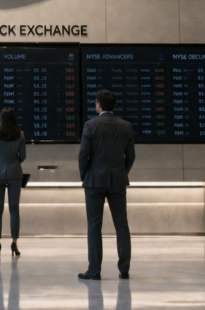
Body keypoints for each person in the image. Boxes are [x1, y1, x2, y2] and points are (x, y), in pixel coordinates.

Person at [77, 90, 135, 280]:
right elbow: (131, 156)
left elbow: (83, 155)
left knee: (94, 225)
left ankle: (94, 270)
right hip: (117, 181)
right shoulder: (126, 126)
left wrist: (85, 175)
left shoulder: (90, 125)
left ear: (99, 105)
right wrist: (121, 172)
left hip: (94, 182)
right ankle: (124, 269)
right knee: (122, 224)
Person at [0, 108, 27, 257]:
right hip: (15, 174)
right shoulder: (20, 134)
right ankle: (14, 243)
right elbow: (23, 156)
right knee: (14, 209)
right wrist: (13, 163)